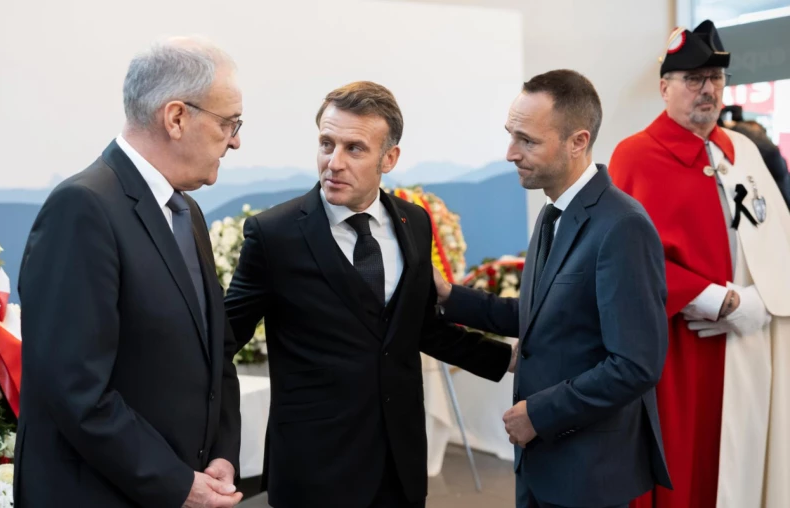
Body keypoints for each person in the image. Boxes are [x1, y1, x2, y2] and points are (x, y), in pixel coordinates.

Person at [223, 81, 514, 508]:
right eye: (326, 143)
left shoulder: (414, 222)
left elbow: (419, 328)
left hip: (400, 466)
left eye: (354, 148)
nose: (334, 162)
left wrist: (509, 360)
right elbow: (224, 339)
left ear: (389, 158)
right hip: (313, 471)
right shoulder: (273, 235)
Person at [15, 36, 245, 508]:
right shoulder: (82, 208)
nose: (235, 140)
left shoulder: (186, 212)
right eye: (228, 123)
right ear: (176, 118)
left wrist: (222, 452)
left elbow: (212, 353)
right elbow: (76, 389)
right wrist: (177, 483)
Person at [433, 69, 671, 508]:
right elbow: (540, 315)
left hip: (588, 471)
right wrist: (450, 295)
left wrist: (539, 414)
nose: (510, 153)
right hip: (542, 463)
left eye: (527, 141)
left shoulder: (623, 226)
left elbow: (636, 364)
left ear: (577, 142)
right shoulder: (553, 212)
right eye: (511, 135)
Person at [609, 20, 790, 508]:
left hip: (752, 338)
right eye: (693, 79)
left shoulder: (744, 150)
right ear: (664, 87)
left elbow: (778, 237)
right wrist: (715, 300)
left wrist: (762, 299)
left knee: (748, 458)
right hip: (681, 345)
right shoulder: (635, 156)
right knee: (687, 463)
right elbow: (621, 256)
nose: (707, 89)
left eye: (715, 77)